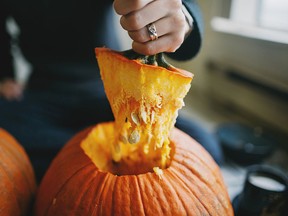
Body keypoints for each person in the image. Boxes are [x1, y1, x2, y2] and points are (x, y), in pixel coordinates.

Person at [0, 0, 223, 181]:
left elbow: (184, 6)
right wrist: (5, 74)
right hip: (42, 92)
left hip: (112, 89)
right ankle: (107, 154)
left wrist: (182, 17)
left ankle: (78, 162)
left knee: (202, 144)